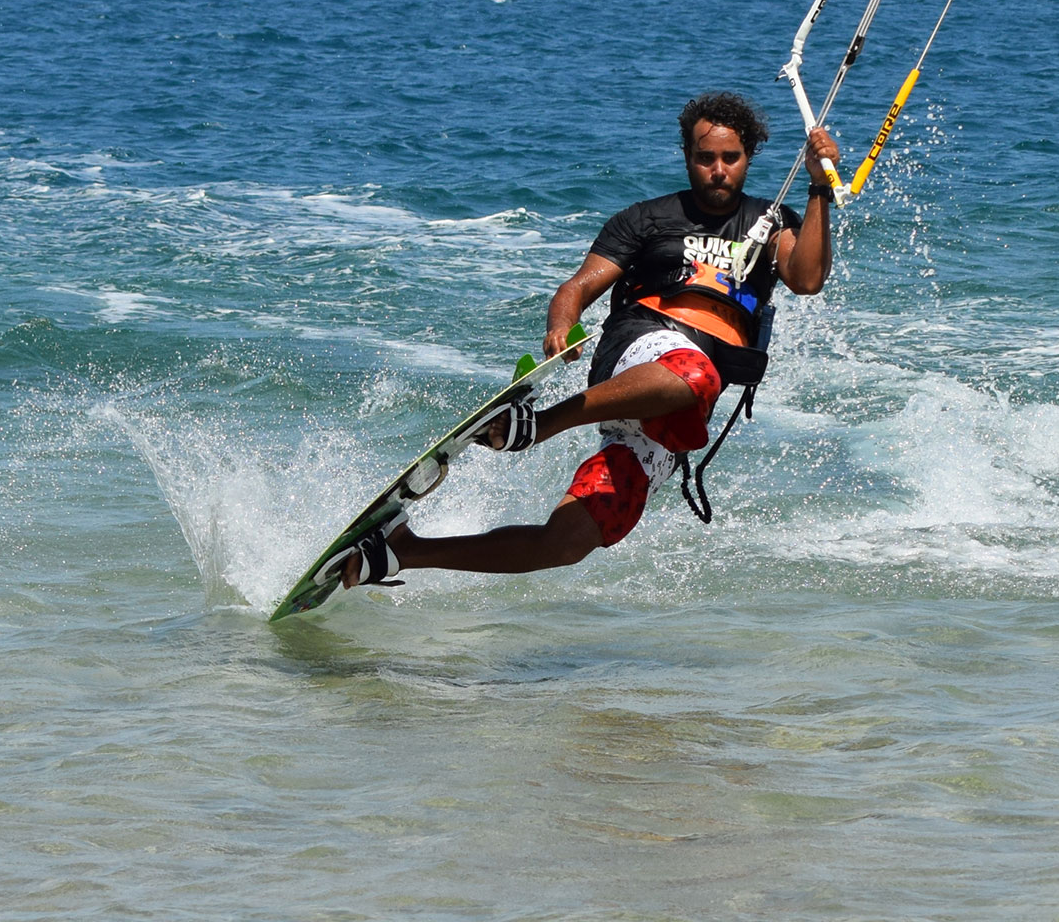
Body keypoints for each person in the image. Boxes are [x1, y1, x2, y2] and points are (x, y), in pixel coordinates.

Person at [334, 91, 840, 588]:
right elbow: (576, 288)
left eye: (731, 158)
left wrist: (819, 189)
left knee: (569, 541)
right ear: (687, 156)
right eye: (705, 158)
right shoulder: (647, 219)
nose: (718, 170)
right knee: (695, 372)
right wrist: (560, 326)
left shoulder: (771, 222)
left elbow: (807, 278)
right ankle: (537, 426)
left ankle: (401, 552)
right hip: (641, 348)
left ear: (749, 156)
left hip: (675, 410)